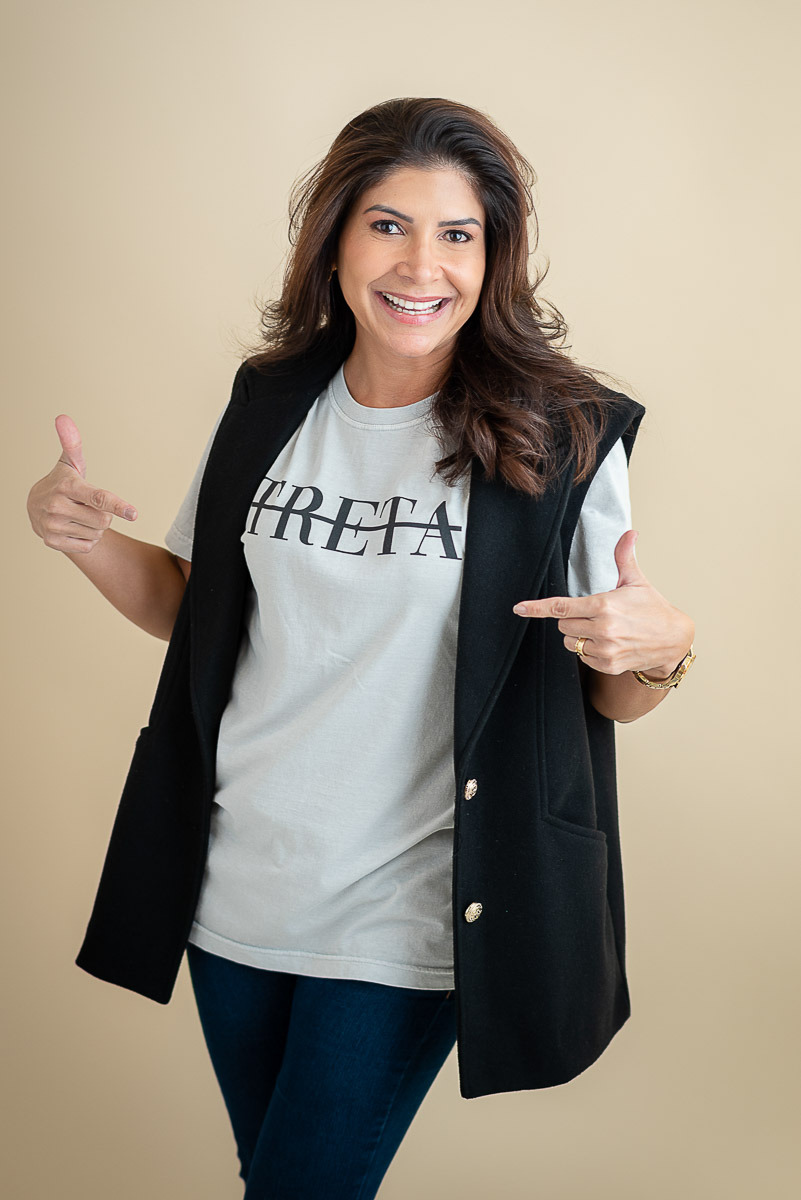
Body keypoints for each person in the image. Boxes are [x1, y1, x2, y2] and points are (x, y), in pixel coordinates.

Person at [26, 97, 696, 1198]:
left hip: (411, 908)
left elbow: (613, 691)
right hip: (235, 890)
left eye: (457, 233)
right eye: (387, 225)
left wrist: (662, 649)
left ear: (493, 257)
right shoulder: (270, 402)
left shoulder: (561, 434)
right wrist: (87, 542)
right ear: (335, 239)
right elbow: (192, 610)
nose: (420, 264)